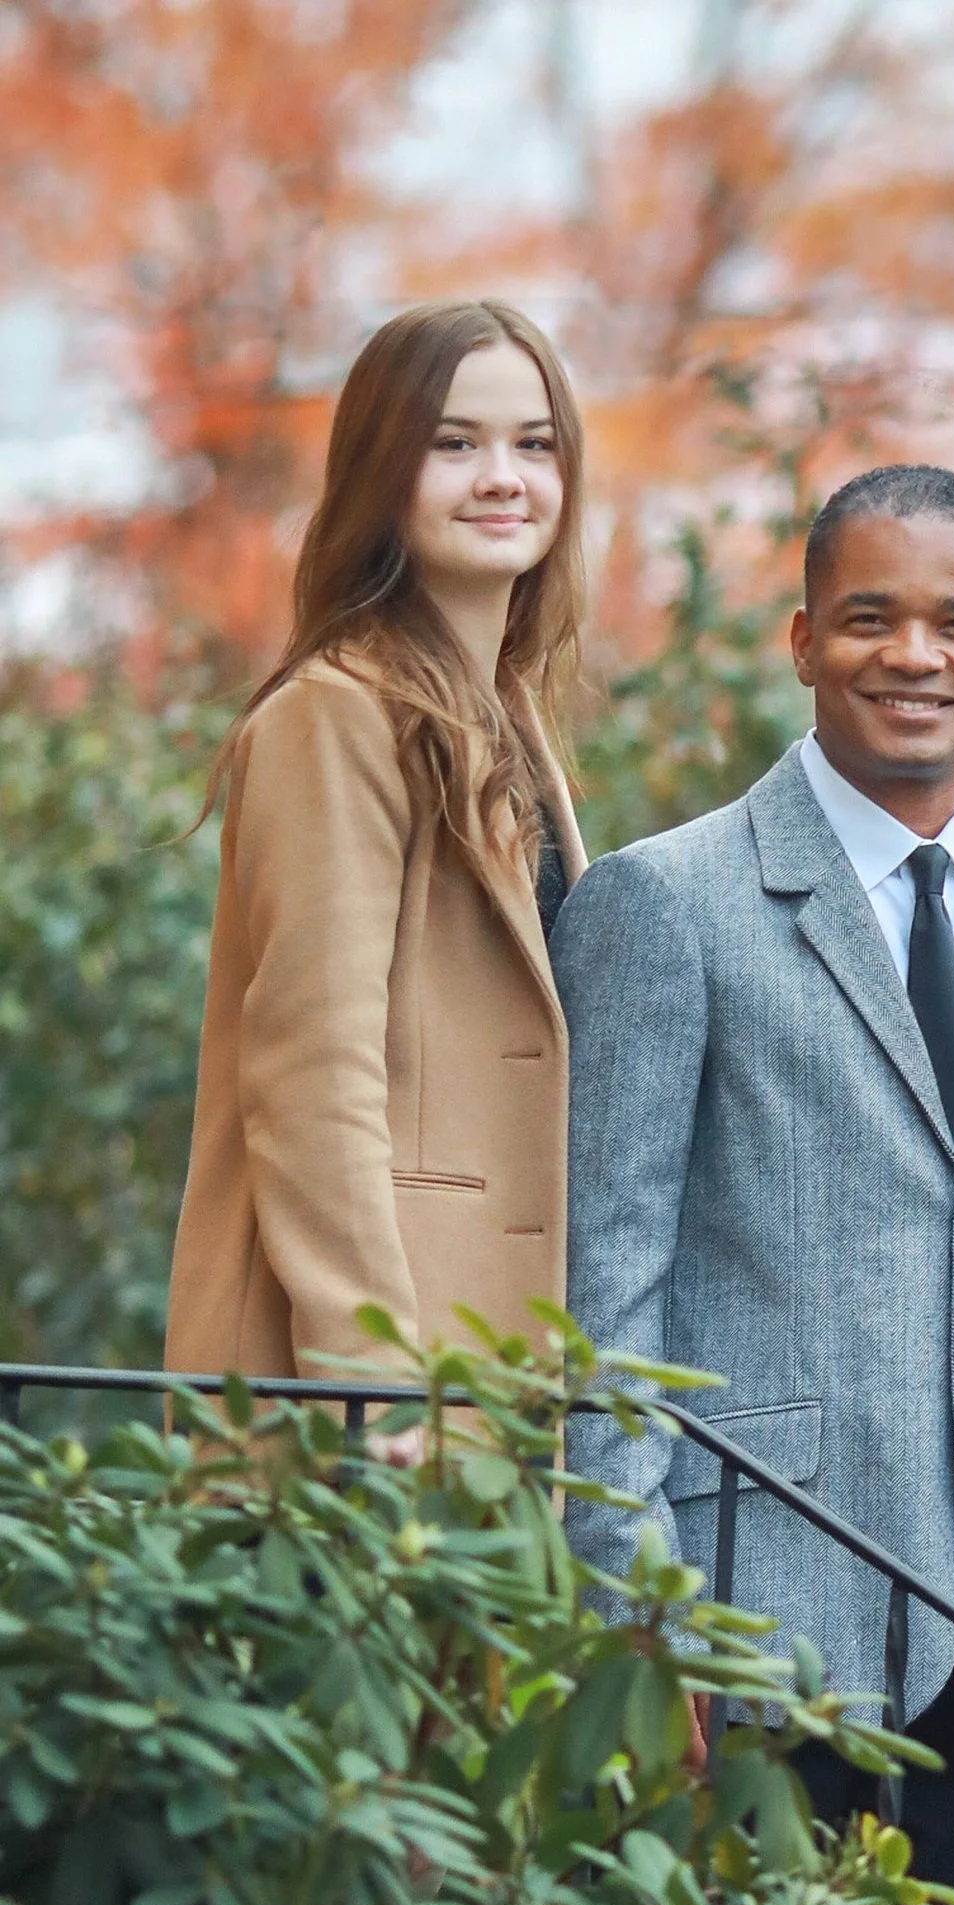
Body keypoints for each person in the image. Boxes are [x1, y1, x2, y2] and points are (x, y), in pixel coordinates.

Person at [552, 464, 954, 1905]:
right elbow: (598, 1289)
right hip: (753, 1643)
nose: (913, 656)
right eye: (868, 617)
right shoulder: (665, 904)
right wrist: (640, 1623)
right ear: (803, 640)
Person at [166, 301, 587, 1399]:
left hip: (485, 1367)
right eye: (454, 443)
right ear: (379, 472)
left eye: (533, 444)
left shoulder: (509, 719)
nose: (502, 476)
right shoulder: (337, 715)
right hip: (356, 1396)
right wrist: (372, 1369)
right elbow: (311, 1066)